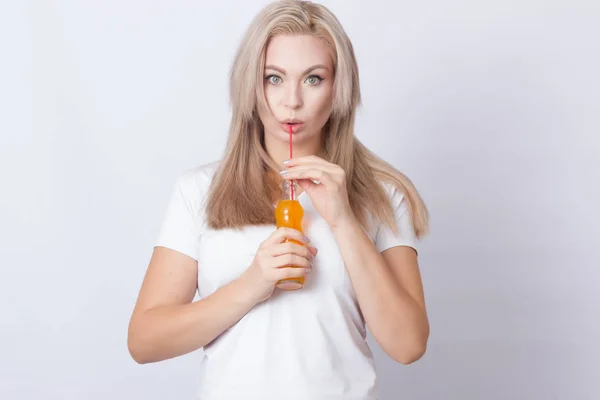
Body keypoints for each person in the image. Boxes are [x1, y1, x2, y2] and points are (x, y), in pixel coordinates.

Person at [127, 1, 430, 398]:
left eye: (313, 79)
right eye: (274, 78)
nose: (292, 101)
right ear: (251, 85)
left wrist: (342, 221)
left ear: (339, 87)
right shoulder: (198, 189)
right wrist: (253, 283)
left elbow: (408, 345)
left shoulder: (383, 193)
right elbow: (145, 341)